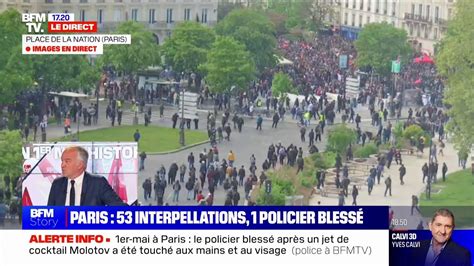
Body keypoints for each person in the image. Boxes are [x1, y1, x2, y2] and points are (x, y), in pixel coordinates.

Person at [47, 146, 126, 206]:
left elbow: (120, 208)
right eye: (62, 161)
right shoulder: (57, 184)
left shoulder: (98, 184)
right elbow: (49, 215)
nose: (62, 165)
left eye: (67, 161)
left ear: (80, 165)